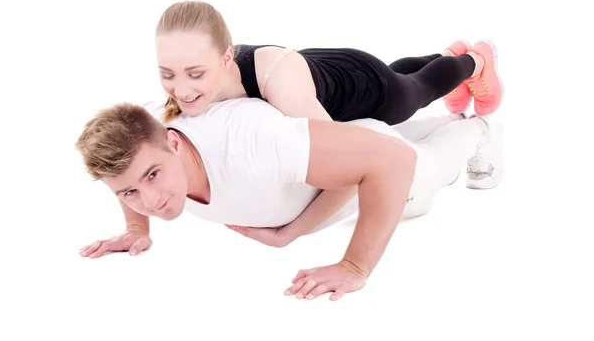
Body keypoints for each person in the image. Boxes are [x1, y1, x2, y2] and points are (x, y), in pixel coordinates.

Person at [76, 95, 503, 301]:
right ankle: (447, 117)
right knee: (396, 136)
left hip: (383, 175)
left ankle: (481, 126)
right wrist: (135, 229)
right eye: (129, 192)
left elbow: (391, 162)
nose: (149, 200)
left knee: (428, 167)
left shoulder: (251, 146)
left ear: (172, 143)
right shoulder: (147, 136)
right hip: (337, 151)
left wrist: (354, 266)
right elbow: (128, 170)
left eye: (152, 176)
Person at [154, 1, 503, 126]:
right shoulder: (193, 75)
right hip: (314, 67)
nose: (180, 89)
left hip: (360, 85)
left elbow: (338, 150)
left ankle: (475, 60)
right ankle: (447, 55)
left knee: (413, 91)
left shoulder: (280, 84)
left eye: (195, 74)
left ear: (226, 56)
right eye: (167, 74)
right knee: (398, 74)